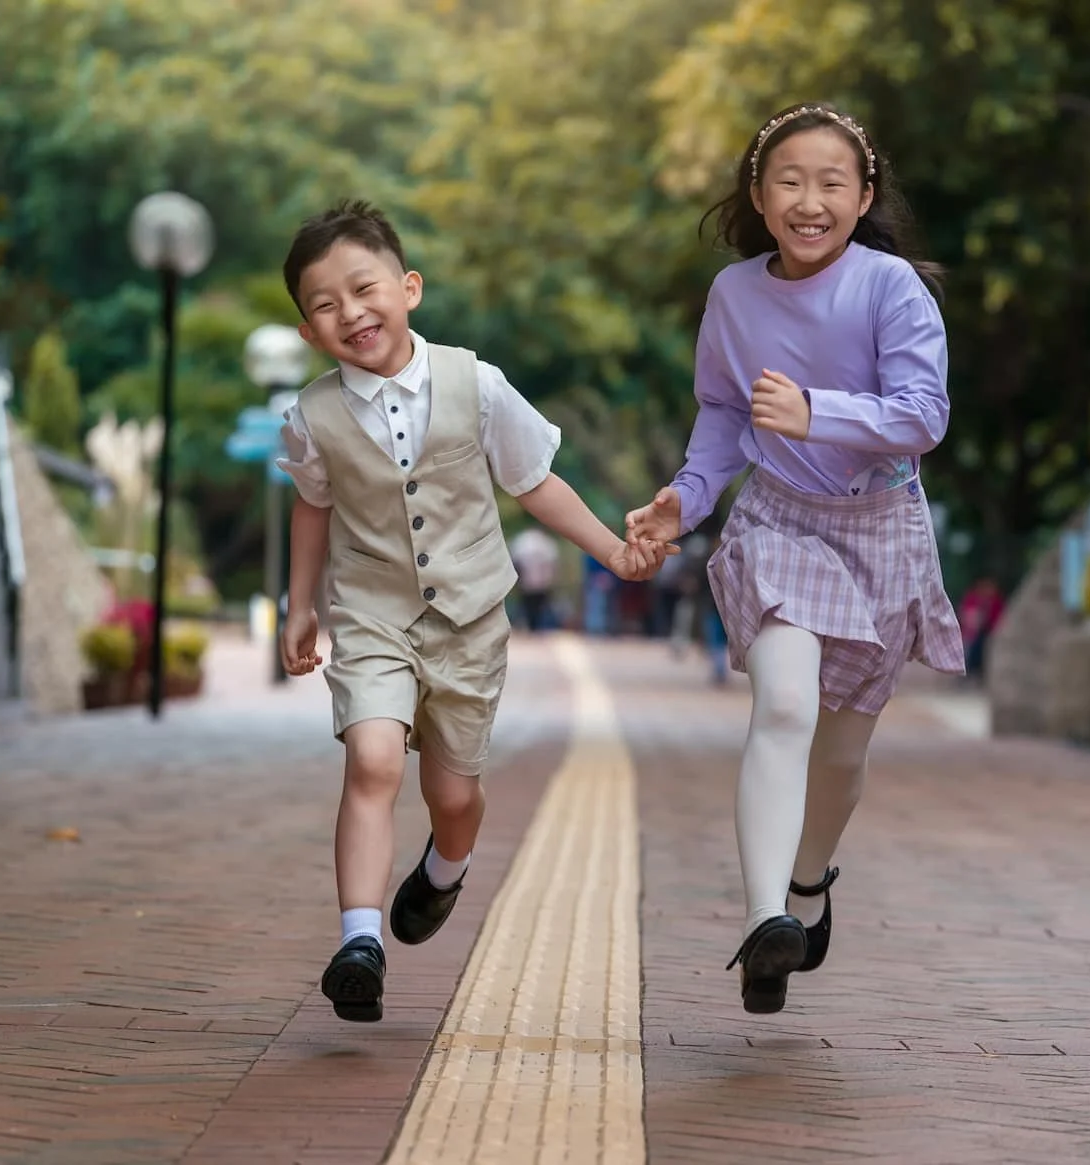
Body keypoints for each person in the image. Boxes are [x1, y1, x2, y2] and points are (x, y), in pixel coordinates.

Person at [275, 200, 671, 1022]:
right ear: (309, 332)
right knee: (373, 760)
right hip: (372, 611)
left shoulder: (476, 383)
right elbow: (312, 507)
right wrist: (299, 606)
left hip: (467, 621)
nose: (350, 311)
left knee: (453, 796)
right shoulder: (310, 417)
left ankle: (445, 871)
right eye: (324, 304)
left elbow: (535, 483)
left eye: (364, 287)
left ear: (409, 287)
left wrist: (613, 552)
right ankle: (359, 943)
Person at [626, 103, 964, 1014]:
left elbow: (923, 416)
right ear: (758, 195)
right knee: (782, 704)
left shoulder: (891, 287)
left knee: (843, 751)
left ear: (864, 196)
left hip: (882, 526)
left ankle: (809, 883)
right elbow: (725, 415)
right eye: (789, 180)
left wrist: (819, 412)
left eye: (830, 183)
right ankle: (765, 917)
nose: (809, 201)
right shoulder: (734, 295)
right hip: (779, 523)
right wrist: (685, 500)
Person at [508, 525, 560, 631]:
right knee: (538, 606)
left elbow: (516, 561)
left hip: (527, 580)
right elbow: (552, 564)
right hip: (541, 581)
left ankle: (530, 626)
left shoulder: (523, 541)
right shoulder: (547, 543)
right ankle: (536, 627)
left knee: (528, 605)